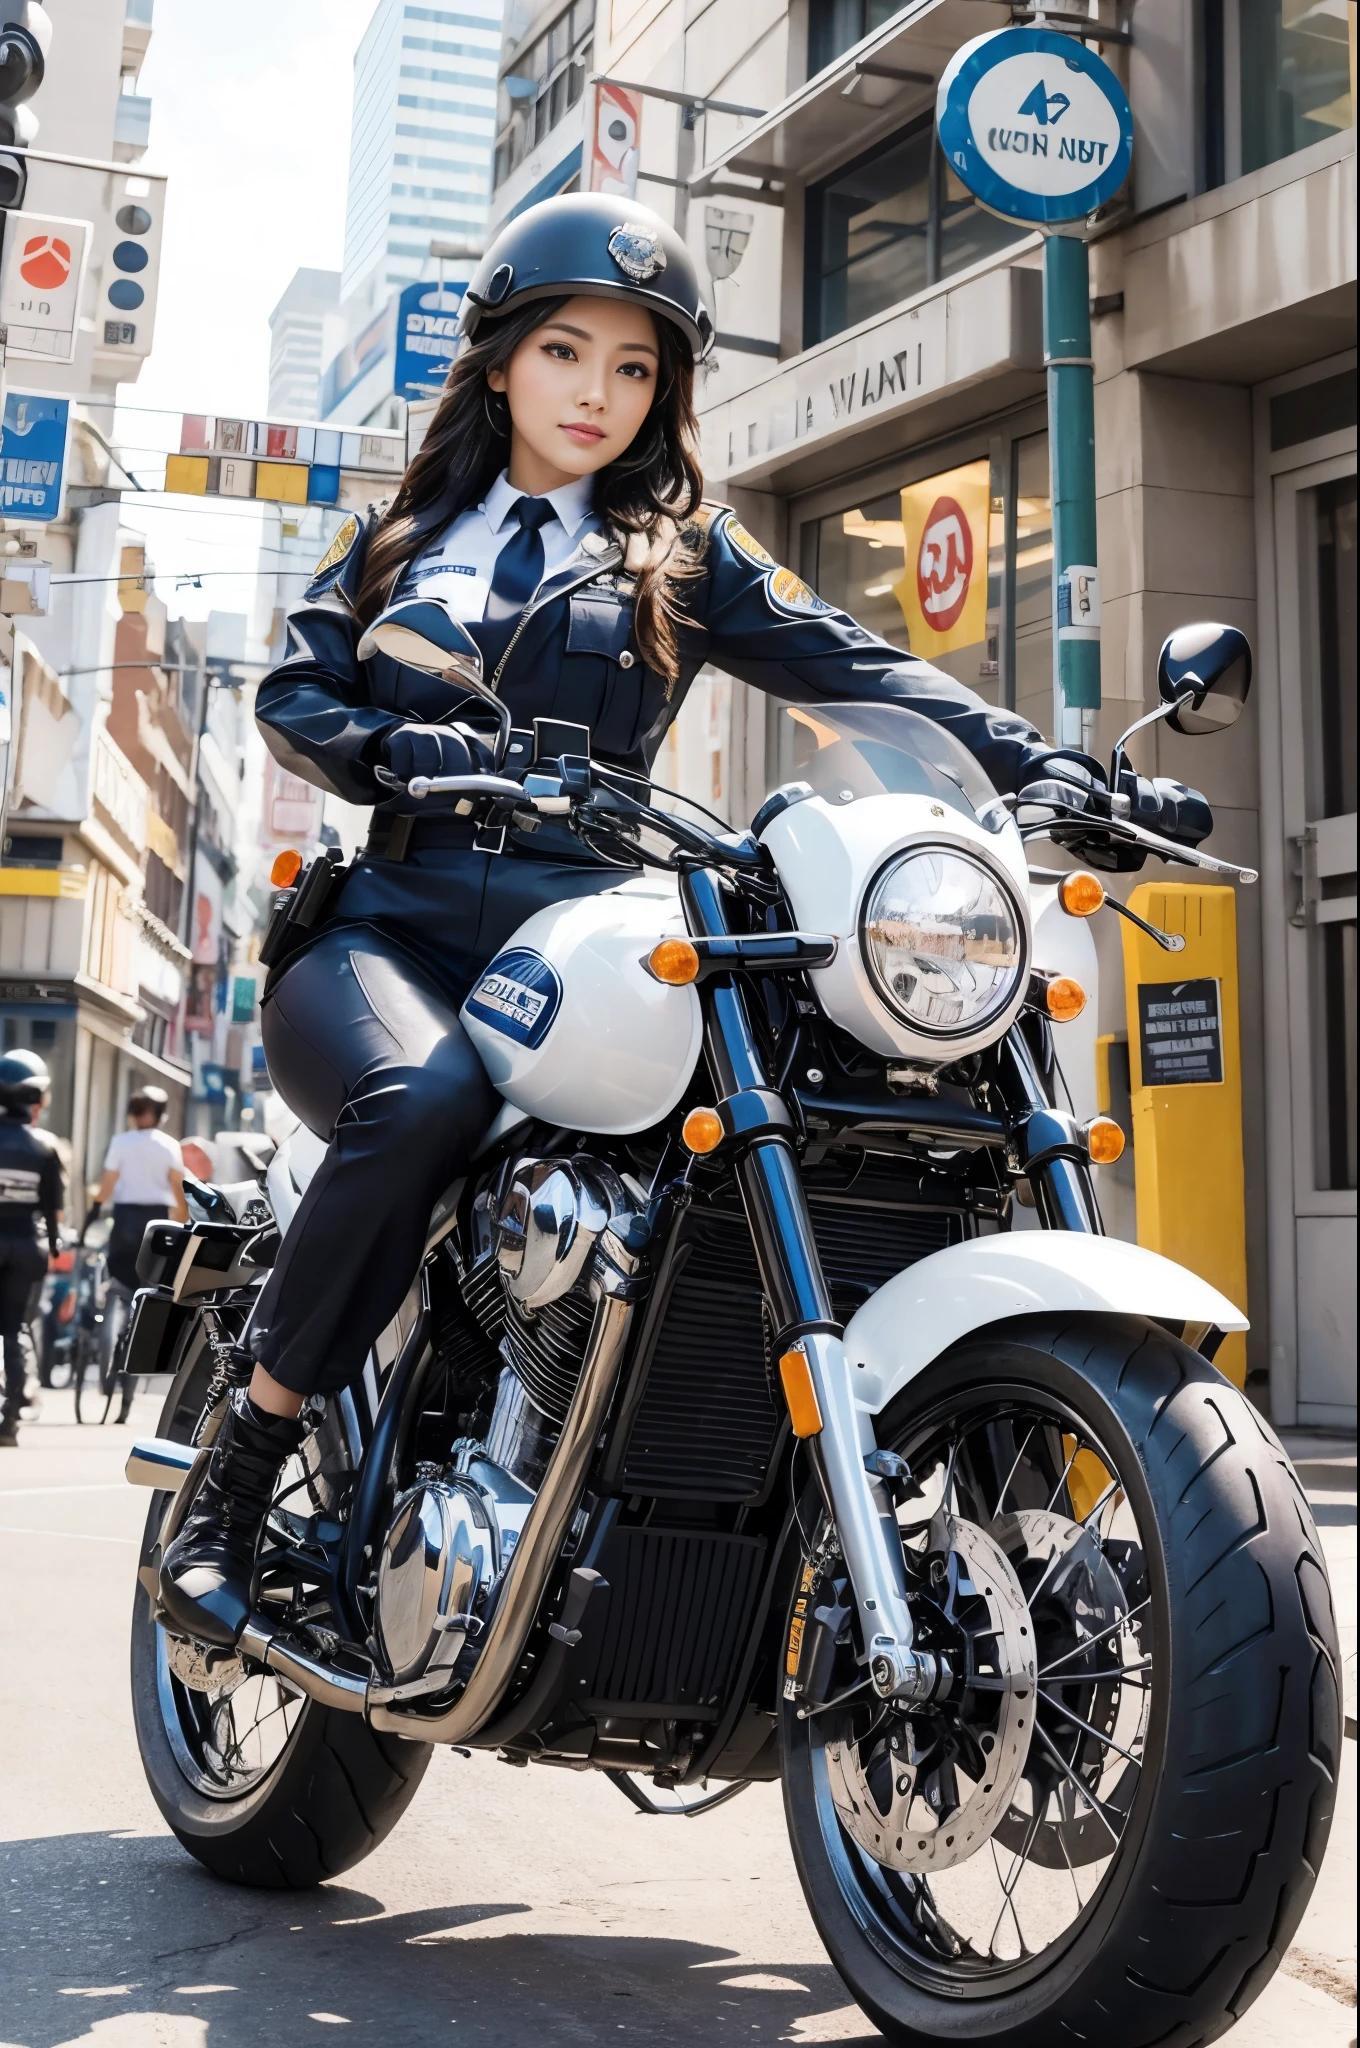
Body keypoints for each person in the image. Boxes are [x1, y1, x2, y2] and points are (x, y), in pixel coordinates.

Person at [160, 193, 1212, 1646]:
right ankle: (236, 1478)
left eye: (636, 367)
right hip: (389, 938)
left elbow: (860, 667)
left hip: (579, 934)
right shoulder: (405, 540)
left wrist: (1046, 768)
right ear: (501, 363)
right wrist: (396, 751)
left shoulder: (680, 553)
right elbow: (295, 695)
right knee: (420, 1104)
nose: (599, 393)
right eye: (567, 352)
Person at [0, 1050, 65, 1447]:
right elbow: (52, 1210)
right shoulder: (45, 1146)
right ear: (36, 1099)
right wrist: (55, 1244)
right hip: (26, 1247)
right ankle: (9, 1418)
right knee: (13, 1328)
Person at [93, 1085, 188, 1290]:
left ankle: (114, 1319)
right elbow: (177, 1185)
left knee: (119, 1278)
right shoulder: (169, 1145)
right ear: (160, 1114)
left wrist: (93, 1210)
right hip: (157, 1219)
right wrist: (184, 1219)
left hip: (124, 1218)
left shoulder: (120, 1142)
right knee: (153, 1279)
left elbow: (108, 1182)